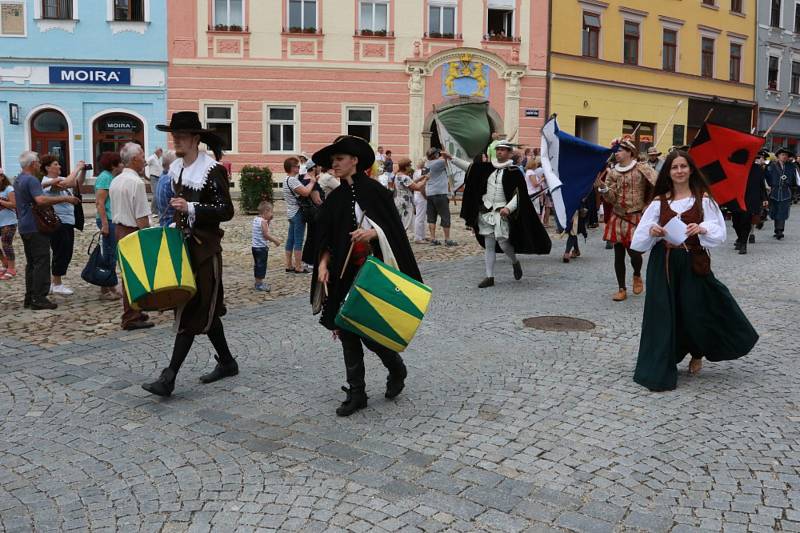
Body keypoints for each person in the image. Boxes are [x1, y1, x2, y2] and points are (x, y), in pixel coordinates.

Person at [311, 135, 421, 417]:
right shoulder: (334, 198)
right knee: (346, 330)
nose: (334, 164)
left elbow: (395, 231)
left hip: (371, 270)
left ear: (355, 161)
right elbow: (325, 238)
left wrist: (374, 232)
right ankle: (356, 392)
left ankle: (395, 367)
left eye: (339, 159)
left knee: (371, 334)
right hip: (342, 274)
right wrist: (323, 264)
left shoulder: (375, 192)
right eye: (332, 161)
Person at [630, 150, 758, 391]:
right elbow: (638, 241)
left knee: (695, 309)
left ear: (690, 170)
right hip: (664, 263)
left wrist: (701, 228)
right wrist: (652, 232)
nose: (679, 171)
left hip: (693, 262)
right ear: (668, 172)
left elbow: (719, 231)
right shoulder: (659, 202)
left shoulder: (704, 199)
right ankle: (660, 364)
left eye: (683, 166)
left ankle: (697, 351)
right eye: (674, 167)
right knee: (663, 313)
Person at [141, 111, 237, 397]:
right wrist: (173, 222)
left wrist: (192, 209)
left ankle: (168, 377)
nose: (177, 141)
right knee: (205, 311)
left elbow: (226, 211)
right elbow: (175, 208)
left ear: (196, 139)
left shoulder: (212, 170)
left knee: (192, 311)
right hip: (184, 248)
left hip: (206, 250)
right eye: (174, 137)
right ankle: (228, 362)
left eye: (181, 136)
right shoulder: (177, 169)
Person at [456, 141, 551, 288]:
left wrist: (508, 208)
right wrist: (451, 158)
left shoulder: (514, 172)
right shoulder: (487, 168)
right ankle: (489, 277)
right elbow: (470, 168)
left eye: (502, 150)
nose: (499, 152)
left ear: (509, 153)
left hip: (502, 212)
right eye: (498, 149)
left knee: (503, 243)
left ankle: (514, 261)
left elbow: (519, 196)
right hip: (487, 211)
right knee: (489, 244)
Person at [14, 151, 80, 310]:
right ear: (31, 164)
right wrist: (65, 198)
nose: (39, 164)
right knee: (42, 262)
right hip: (36, 226)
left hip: (24, 225)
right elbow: (41, 200)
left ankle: (30, 297)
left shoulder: (18, 179)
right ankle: (39, 298)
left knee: (32, 263)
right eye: (37, 162)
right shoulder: (31, 179)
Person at [597, 138, 657, 301]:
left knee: (634, 253)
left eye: (620, 150)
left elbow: (658, 185)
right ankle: (621, 288)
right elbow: (611, 198)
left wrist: (649, 205)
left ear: (630, 152)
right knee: (618, 254)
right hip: (618, 216)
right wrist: (603, 188)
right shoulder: (613, 173)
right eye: (616, 151)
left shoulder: (642, 168)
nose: (616, 153)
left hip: (636, 215)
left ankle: (637, 274)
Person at [109, 143, 154, 330]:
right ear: (135, 159)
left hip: (119, 228)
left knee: (128, 273)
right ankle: (130, 316)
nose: (144, 159)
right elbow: (142, 216)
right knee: (134, 275)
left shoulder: (116, 180)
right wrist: (147, 235)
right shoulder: (136, 182)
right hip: (132, 230)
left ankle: (136, 309)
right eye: (142, 156)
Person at [40, 155, 87, 296]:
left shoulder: (61, 179)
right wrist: (77, 167)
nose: (59, 166)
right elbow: (67, 183)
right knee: (61, 251)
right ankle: (57, 283)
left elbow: (76, 183)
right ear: (48, 167)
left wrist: (83, 171)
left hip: (67, 221)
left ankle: (53, 282)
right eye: (56, 164)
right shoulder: (48, 181)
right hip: (58, 221)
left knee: (65, 251)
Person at [95, 152, 125, 301]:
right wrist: (105, 224)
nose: (122, 165)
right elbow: (100, 203)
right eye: (120, 162)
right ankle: (105, 289)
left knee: (112, 253)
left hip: (113, 219)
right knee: (109, 254)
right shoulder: (105, 177)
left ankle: (111, 285)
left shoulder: (111, 177)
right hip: (108, 220)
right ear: (113, 164)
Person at [283, 156, 316, 273]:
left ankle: (288, 264)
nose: (299, 168)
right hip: (297, 213)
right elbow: (306, 193)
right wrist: (312, 182)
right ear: (292, 168)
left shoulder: (286, 179)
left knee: (290, 239)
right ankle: (298, 266)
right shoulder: (293, 180)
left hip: (290, 213)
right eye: (297, 166)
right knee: (298, 240)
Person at [732, 150, 769, 255]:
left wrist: (765, 198)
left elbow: (761, 185)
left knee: (746, 222)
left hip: (751, 200)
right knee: (735, 223)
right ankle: (740, 238)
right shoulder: (736, 168)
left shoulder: (758, 169)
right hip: (737, 199)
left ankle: (743, 244)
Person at [424, 148, 457, 246]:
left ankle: (433, 238)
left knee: (431, 217)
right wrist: (445, 152)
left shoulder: (426, 164)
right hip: (440, 193)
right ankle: (447, 239)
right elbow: (449, 159)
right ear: (435, 155)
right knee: (445, 216)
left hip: (429, 193)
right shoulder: (439, 162)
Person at [765, 147, 798, 240]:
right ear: (778, 156)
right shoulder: (771, 166)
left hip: (785, 193)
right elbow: (766, 177)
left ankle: (780, 230)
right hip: (774, 192)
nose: (784, 157)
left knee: (782, 211)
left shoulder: (791, 167)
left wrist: (794, 191)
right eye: (782, 155)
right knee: (775, 211)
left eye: (786, 155)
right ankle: (776, 229)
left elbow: (794, 180)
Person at [252, 200, 281, 292]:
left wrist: (268, 220)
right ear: (266, 211)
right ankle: (259, 284)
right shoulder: (263, 222)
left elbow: (263, 230)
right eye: (271, 211)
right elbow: (266, 234)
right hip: (261, 248)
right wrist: (275, 241)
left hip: (255, 247)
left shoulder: (256, 219)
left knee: (257, 265)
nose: (272, 214)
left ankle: (258, 282)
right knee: (261, 265)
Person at [393, 158, 426, 231]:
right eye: (410, 165)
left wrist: (421, 178)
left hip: (398, 200)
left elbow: (410, 183)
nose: (411, 167)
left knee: (401, 221)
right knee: (405, 222)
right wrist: (425, 180)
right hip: (406, 202)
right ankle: (401, 239)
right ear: (406, 167)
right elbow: (417, 187)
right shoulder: (405, 177)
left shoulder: (398, 175)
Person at [0, 169, 18, 280]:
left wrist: (1, 201)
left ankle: (11, 268)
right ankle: (4, 263)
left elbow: (14, 204)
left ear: (2, 177)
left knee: (6, 244)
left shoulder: (9, 189)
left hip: (8, 222)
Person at [562, 197, 588, 263]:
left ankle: (567, 253)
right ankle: (576, 250)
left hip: (578, 209)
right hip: (568, 206)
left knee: (573, 231)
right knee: (572, 231)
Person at [155, 150, 177, 226]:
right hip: (171, 226)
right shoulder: (170, 181)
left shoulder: (162, 177)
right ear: (173, 164)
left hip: (164, 223)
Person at [412, 159, 429, 243]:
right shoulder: (422, 172)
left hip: (417, 195)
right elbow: (422, 186)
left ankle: (422, 236)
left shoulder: (416, 171)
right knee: (420, 217)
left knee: (421, 217)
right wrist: (425, 196)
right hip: (421, 195)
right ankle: (418, 237)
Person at [145, 147, 163, 214]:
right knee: (155, 194)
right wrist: (144, 175)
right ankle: (153, 210)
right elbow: (145, 164)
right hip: (154, 177)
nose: (161, 155)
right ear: (158, 152)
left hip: (158, 178)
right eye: (161, 153)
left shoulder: (158, 159)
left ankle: (156, 209)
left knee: (158, 194)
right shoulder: (152, 158)